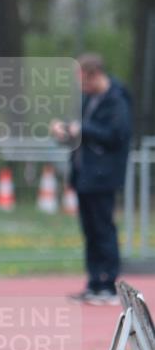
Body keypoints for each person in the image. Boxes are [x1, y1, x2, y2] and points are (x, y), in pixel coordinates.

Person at [50, 53, 131, 306]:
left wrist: (82, 129)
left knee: (104, 229)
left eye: (84, 81)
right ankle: (94, 282)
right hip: (84, 176)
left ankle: (109, 284)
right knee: (90, 231)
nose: (82, 88)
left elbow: (116, 135)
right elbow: (82, 133)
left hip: (103, 177)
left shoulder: (116, 99)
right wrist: (64, 132)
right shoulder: (89, 100)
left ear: (95, 75)